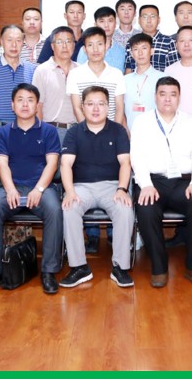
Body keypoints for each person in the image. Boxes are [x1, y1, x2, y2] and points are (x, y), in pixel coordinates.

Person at [0, 84, 63, 295]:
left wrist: (39, 189)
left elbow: (52, 164)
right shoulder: (2, 132)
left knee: (54, 210)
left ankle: (49, 272)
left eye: (30, 100)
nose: (25, 105)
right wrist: (10, 190)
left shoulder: (49, 131)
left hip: (42, 188)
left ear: (37, 105)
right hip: (11, 188)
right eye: (20, 100)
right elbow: (2, 164)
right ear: (12, 105)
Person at [130, 77, 192, 288]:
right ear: (155, 97)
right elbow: (137, 157)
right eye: (163, 94)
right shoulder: (142, 122)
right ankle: (159, 268)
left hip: (184, 182)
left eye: (173, 94)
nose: (168, 99)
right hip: (153, 182)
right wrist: (146, 184)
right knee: (146, 208)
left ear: (179, 98)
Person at [59, 86, 135, 288]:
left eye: (101, 104)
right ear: (82, 107)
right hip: (81, 187)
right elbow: (65, 164)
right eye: (90, 104)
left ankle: (120, 267)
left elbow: (125, 163)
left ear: (108, 107)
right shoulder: (74, 132)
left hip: (112, 187)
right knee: (69, 208)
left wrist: (122, 189)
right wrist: (70, 192)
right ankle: (79, 267)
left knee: (125, 209)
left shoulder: (118, 131)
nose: (95, 109)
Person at [0, 24, 37, 126]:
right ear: (1, 41)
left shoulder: (32, 69)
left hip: (24, 127)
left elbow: (36, 103)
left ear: (23, 42)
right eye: (9, 40)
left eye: (18, 40)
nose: (14, 45)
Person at [67, 26, 126, 124]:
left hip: (111, 130)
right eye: (90, 45)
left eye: (99, 44)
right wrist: (88, 131)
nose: (95, 49)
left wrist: (115, 131)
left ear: (106, 46)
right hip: (85, 131)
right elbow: (77, 108)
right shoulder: (74, 74)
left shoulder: (117, 74)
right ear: (84, 49)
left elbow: (119, 108)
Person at [32, 26, 77, 140]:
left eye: (68, 41)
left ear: (74, 45)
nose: (65, 46)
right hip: (51, 130)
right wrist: (40, 134)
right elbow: (38, 105)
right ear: (52, 46)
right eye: (59, 42)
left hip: (77, 131)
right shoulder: (42, 70)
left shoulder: (80, 70)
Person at [123, 32, 164, 133]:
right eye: (136, 49)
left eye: (144, 48)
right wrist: (126, 132)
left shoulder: (162, 79)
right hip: (130, 134)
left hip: (156, 134)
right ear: (131, 54)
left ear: (152, 51)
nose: (140, 53)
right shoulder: (125, 80)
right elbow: (120, 110)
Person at [123, 4, 178, 73]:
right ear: (139, 20)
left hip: (162, 79)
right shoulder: (131, 42)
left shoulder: (169, 42)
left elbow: (175, 69)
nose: (149, 20)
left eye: (153, 16)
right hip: (136, 79)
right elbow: (129, 69)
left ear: (158, 20)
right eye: (145, 17)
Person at [75, 6, 127, 72]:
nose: (106, 25)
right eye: (102, 21)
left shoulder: (121, 51)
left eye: (110, 21)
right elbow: (80, 73)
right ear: (95, 24)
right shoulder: (85, 50)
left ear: (115, 24)